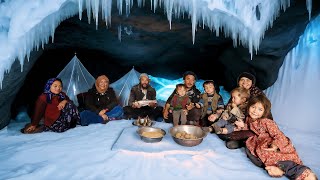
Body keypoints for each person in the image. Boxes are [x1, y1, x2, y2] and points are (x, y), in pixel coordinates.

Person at [244, 95, 317, 180]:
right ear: (248, 106)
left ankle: (305, 174)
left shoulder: (266, 122)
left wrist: (275, 145)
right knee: (257, 155)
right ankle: (279, 169)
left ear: (264, 112)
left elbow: (279, 135)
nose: (255, 111)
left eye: (260, 109)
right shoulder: (249, 119)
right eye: (253, 107)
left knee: (280, 158)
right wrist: (241, 126)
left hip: (275, 142)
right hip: (260, 143)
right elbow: (249, 128)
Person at [218, 71, 271, 149]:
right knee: (221, 127)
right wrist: (224, 114)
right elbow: (229, 107)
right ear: (238, 82)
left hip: (254, 125)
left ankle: (242, 141)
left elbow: (261, 114)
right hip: (239, 122)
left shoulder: (257, 94)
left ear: (252, 83)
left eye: (248, 80)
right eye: (242, 79)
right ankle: (240, 140)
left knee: (230, 133)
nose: (245, 82)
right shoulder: (237, 91)